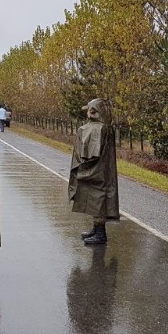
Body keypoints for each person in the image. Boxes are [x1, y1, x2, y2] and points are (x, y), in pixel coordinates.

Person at [68, 98, 119, 245]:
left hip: (96, 171)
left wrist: (82, 169)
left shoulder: (97, 129)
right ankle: (97, 229)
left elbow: (91, 153)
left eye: (89, 110)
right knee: (95, 199)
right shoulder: (103, 127)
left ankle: (100, 234)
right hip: (101, 170)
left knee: (97, 199)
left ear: (94, 111)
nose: (87, 114)